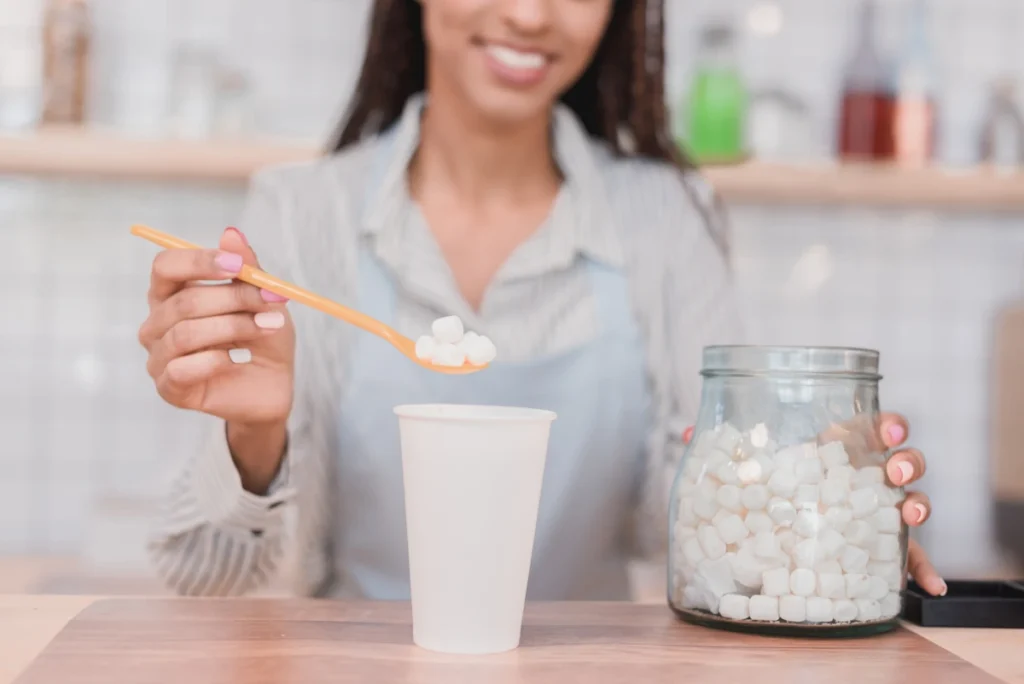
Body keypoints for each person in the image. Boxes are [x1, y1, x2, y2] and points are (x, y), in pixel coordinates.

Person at [139, 0, 944, 600]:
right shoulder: (299, 216)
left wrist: (816, 503)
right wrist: (254, 436)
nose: (529, 14)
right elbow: (210, 583)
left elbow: (707, 534)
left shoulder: (666, 221)